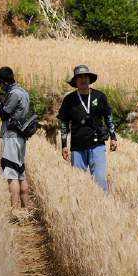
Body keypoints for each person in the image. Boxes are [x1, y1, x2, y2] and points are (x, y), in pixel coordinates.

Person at [57, 65, 117, 193]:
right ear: (75, 81)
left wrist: (113, 138)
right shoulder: (69, 100)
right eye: (79, 77)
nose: (83, 79)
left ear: (90, 79)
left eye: (85, 76)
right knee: (78, 185)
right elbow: (64, 124)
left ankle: (103, 207)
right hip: (77, 147)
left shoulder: (99, 96)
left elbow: (108, 118)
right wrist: (64, 145)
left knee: (100, 181)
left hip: (97, 145)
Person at [0, 66, 30, 212]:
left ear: (4, 83)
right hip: (20, 137)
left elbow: (5, 115)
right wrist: (1, 98)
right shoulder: (23, 92)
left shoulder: (13, 94)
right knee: (21, 173)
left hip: (11, 137)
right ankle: (25, 210)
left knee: (12, 175)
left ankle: (14, 211)